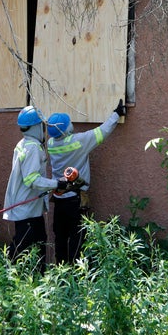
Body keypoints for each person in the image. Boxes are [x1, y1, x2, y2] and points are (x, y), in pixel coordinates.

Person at [46, 99, 126, 264]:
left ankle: (61, 271)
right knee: (77, 237)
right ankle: (76, 274)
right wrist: (116, 114)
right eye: (69, 123)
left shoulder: (51, 143)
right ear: (66, 129)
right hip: (75, 199)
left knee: (60, 237)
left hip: (59, 199)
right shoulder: (78, 142)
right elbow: (102, 131)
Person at [3, 105, 68, 266]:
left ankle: (38, 277)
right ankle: (6, 276)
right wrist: (57, 184)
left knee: (39, 243)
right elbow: (32, 180)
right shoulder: (33, 148)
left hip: (29, 208)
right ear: (36, 126)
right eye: (42, 125)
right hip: (27, 210)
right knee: (23, 245)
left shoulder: (24, 143)